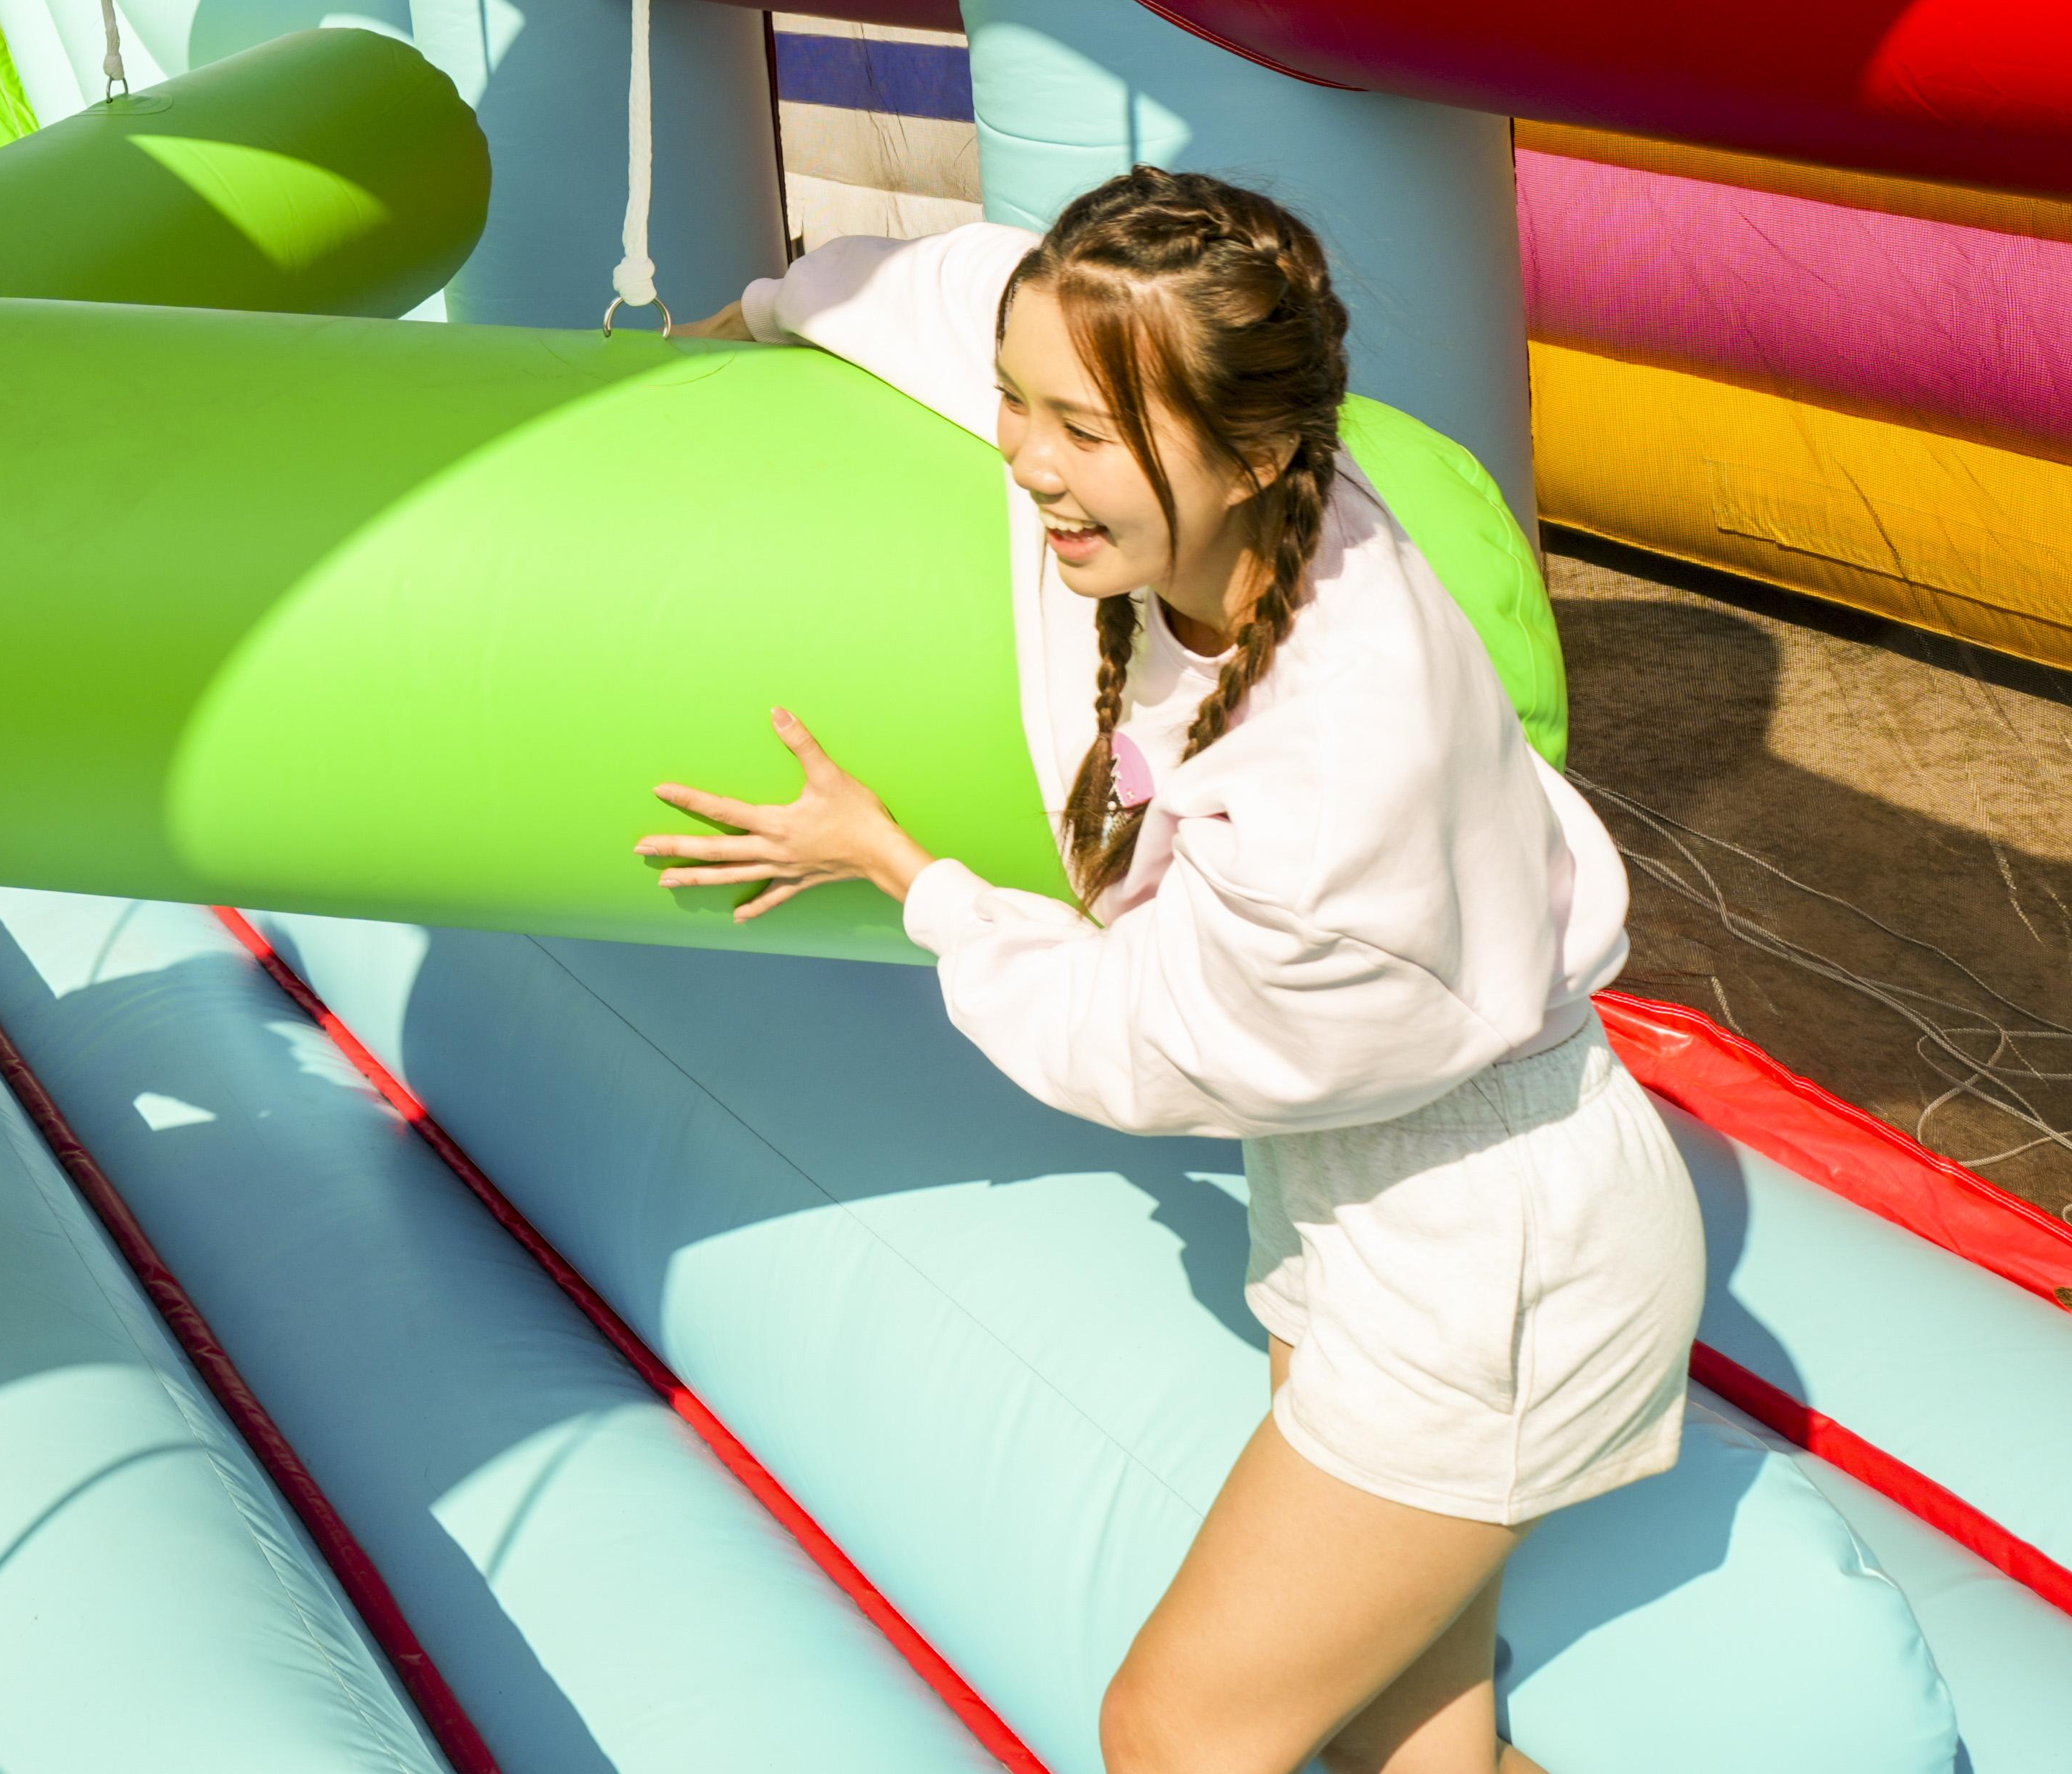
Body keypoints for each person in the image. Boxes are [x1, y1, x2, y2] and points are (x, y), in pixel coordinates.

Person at [633, 170, 1693, 1774]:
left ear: (1255, 452)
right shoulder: (1217, 472)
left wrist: (908, 874)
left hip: (1491, 1253)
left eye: (1085, 429)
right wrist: (736, 326)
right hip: (1377, 1198)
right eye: (1020, 403)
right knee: (1407, 1744)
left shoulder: (1341, 780)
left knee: (1177, 1731)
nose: (1028, 459)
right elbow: (944, 285)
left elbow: (1132, 1039)